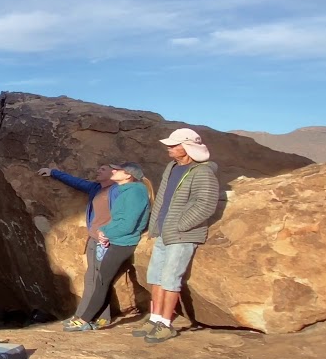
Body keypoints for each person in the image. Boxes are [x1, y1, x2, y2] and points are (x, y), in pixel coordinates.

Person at [135, 128, 220, 344]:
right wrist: (155, 226)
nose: (169, 148)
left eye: (174, 145)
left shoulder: (202, 172)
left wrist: (181, 225)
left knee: (171, 279)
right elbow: (162, 198)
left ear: (188, 147)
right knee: (155, 277)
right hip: (164, 233)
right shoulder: (171, 168)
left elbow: (206, 203)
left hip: (181, 236)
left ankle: (165, 324)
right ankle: (155, 319)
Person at [61, 163, 154, 332]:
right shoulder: (126, 190)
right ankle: (90, 318)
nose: (114, 172)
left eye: (117, 170)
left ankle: (85, 320)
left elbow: (128, 223)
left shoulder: (135, 191)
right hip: (112, 239)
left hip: (121, 242)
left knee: (101, 280)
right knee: (99, 279)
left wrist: (105, 232)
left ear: (128, 175)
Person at [37, 163, 122, 329]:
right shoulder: (95, 188)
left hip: (107, 240)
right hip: (93, 238)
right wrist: (53, 172)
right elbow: (76, 182)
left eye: (103, 169)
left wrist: (111, 234)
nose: (98, 170)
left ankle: (95, 316)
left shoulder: (119, 191)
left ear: (114, 174)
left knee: (101, 278)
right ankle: (89, 315)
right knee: (91, 277)